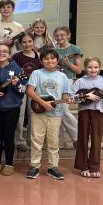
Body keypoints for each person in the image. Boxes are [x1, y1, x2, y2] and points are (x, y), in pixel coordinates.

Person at [25, 48, 71, 180]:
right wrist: (43, 103)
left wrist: (68, 99)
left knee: (53, 141)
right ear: (41, 61)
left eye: (52, 58)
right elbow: (30, 91)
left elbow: (65, 94)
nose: (49, 61)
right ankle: (34, 166)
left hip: (55, 113)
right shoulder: (36, 73)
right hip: (38, 111)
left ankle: (53, 167)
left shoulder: (62, 76)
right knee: (36, 140)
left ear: (57, 60)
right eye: (46, 58)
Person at [71, 57, 103, 178]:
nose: (93, 69)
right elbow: (72, 97)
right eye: (90, 67)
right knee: (83, 138)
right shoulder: (80, 82)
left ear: (99, 68)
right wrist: (86, 96)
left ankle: (94, 167)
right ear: (85, 68)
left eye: (96, 67)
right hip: (84, 111)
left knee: (96, 139)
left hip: (98, 112)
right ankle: (83, 166)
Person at [0, 44, 24, 176]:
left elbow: (24, 90)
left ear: (9, 54)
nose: (1, 53)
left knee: (8, 136)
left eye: (5, 51)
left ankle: (9, 163)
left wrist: (17, 84)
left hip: (11, 108)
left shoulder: (17, 69)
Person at [53, 26, 83, 147]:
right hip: (54, 81)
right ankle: (59, 140)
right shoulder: (53, 50)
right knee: (56, 109)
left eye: (62, 35)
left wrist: (68, 63)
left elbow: (79, 70)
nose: (59, 37)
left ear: (68, 35)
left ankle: (77, 136)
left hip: (68, 80)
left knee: (64, 110)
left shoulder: (75, 49)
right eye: (57, 35)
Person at [11, 33, 41, 152]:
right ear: (20, 43)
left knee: (33, 114)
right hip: (21, 89)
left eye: (29, 41)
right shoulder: (16, 56)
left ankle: (31, 140)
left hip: (34, 89)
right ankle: (19, 141)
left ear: (33, 42)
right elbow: (13, 72)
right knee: (20, 114)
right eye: (24, 42)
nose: (27, 44)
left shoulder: (38, 55)